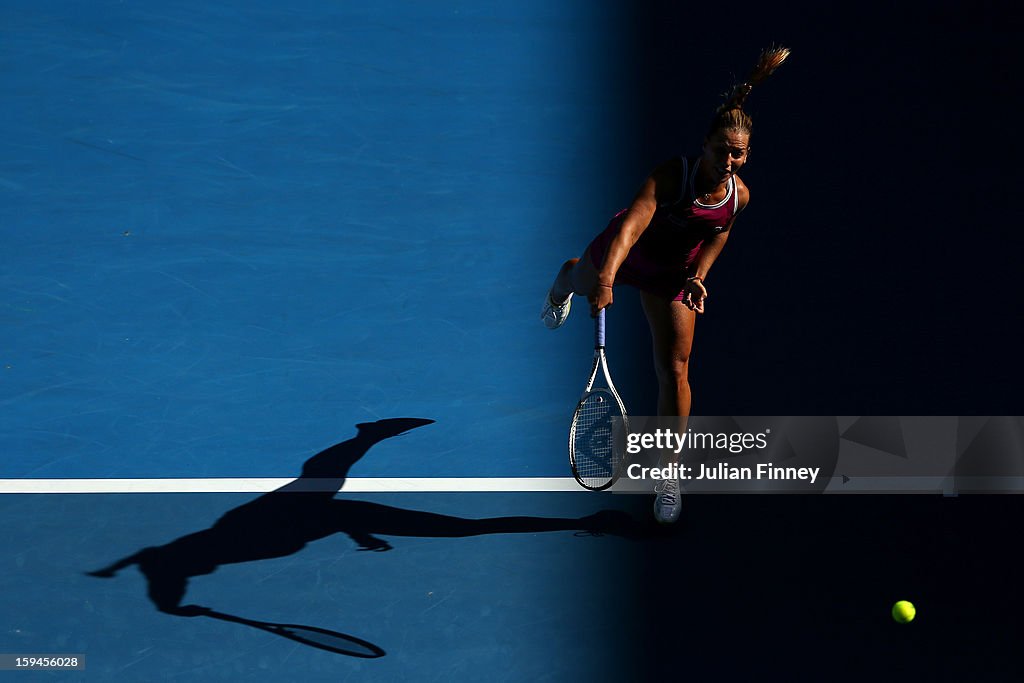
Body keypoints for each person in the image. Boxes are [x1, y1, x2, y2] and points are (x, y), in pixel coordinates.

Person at [541, 47, 790, 523]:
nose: (729, 161)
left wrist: (698, 276)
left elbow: (720, 232)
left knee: (675, 369)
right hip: (629, 254)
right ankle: (564, 280)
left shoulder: (740, 195)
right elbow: (631, 227)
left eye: (738, 153)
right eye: (722, 150)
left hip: (673, 274)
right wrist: (608, 279)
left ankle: (668, 474)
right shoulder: (672, 175)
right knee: (582, 276)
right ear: (705, 144)